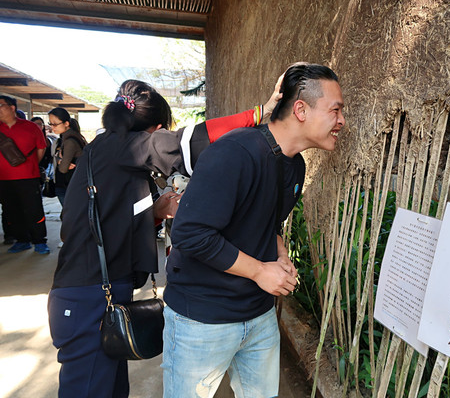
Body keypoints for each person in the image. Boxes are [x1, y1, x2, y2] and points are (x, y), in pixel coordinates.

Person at [47, 78, 282, 398]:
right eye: (162, 133)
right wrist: (259, 114)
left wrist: (155, 211)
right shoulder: (124, 146)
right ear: (155, 130)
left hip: (94, 291)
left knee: (109, 388)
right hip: (87, 297)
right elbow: (192, 141)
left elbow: (105, 220)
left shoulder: (106, 153)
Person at [162, 62, 345, 397]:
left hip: (258, 316)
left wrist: (279, 253)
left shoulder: (294, 166)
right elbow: (191, 233)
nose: (342, 121)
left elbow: (267, 223)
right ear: (301, 109)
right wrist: (261, 270)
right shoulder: (235, 152)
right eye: (335, 110)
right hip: (202, 318)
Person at [0, 95, 50, 254]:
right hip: (3, 179)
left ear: (12, 107)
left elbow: (41, 148)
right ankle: (22, 240)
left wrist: (30, 165)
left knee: (34, 209)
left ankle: (40, 241)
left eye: (0, 106)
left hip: (28, 177)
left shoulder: (30, 127)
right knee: (11, 211)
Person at [47, 108, 87, 206]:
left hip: (68, 185)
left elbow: (63, 169)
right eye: (50, 124)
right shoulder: (71, 137)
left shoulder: (69, 141)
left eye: (55, 124)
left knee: (69, 217)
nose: (52, 127)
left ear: (66, 123)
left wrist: (60, 161)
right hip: (72, 184)